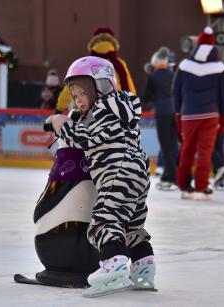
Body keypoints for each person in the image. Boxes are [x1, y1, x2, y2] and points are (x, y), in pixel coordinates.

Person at [46, 56, 155, 297]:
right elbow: (91, 125)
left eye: (82, 93)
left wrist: (60, 122)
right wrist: (73, 117)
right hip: (138, 172)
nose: (79, 101)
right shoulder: (121, 108)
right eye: (75, 96)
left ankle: (112, 266)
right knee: (131, 224)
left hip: (117, 170)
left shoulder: (104, 110)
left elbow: (85, 137)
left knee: (104, 220)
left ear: (101, 87)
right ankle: (144, 268)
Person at [33, 102, 100, 287]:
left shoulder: (64, 171)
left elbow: (45, 206)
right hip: (94, 257)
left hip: (54, 254)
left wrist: (40, 210)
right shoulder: (97, 168)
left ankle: (62, 266)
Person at [173, 26, 224, 200]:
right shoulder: (220, 67)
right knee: (205, 151)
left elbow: (176, 92)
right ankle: (201, 186)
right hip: (211, 115)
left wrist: (178, 113)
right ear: (213, 45)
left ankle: (183, 185)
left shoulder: (184, 65)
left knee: (187, 149)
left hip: (189, 114)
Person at [55, 27, 137, 114]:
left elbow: (73, 85)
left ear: (93, 43)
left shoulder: (86, 63)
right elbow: (128, 85)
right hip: (115, 106)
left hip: (90, 106)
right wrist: (132, 105)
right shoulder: (120, 63)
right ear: (113, 44)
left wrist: (60, 107)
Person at [143, 46, 178, 191]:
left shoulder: (153, 76)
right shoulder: (173, 74)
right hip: (175, 111)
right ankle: (167, 175)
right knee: (172, 144)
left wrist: (154, 97)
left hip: (162, 112)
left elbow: (146, 98)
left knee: (165, 146)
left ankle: (171, 177)